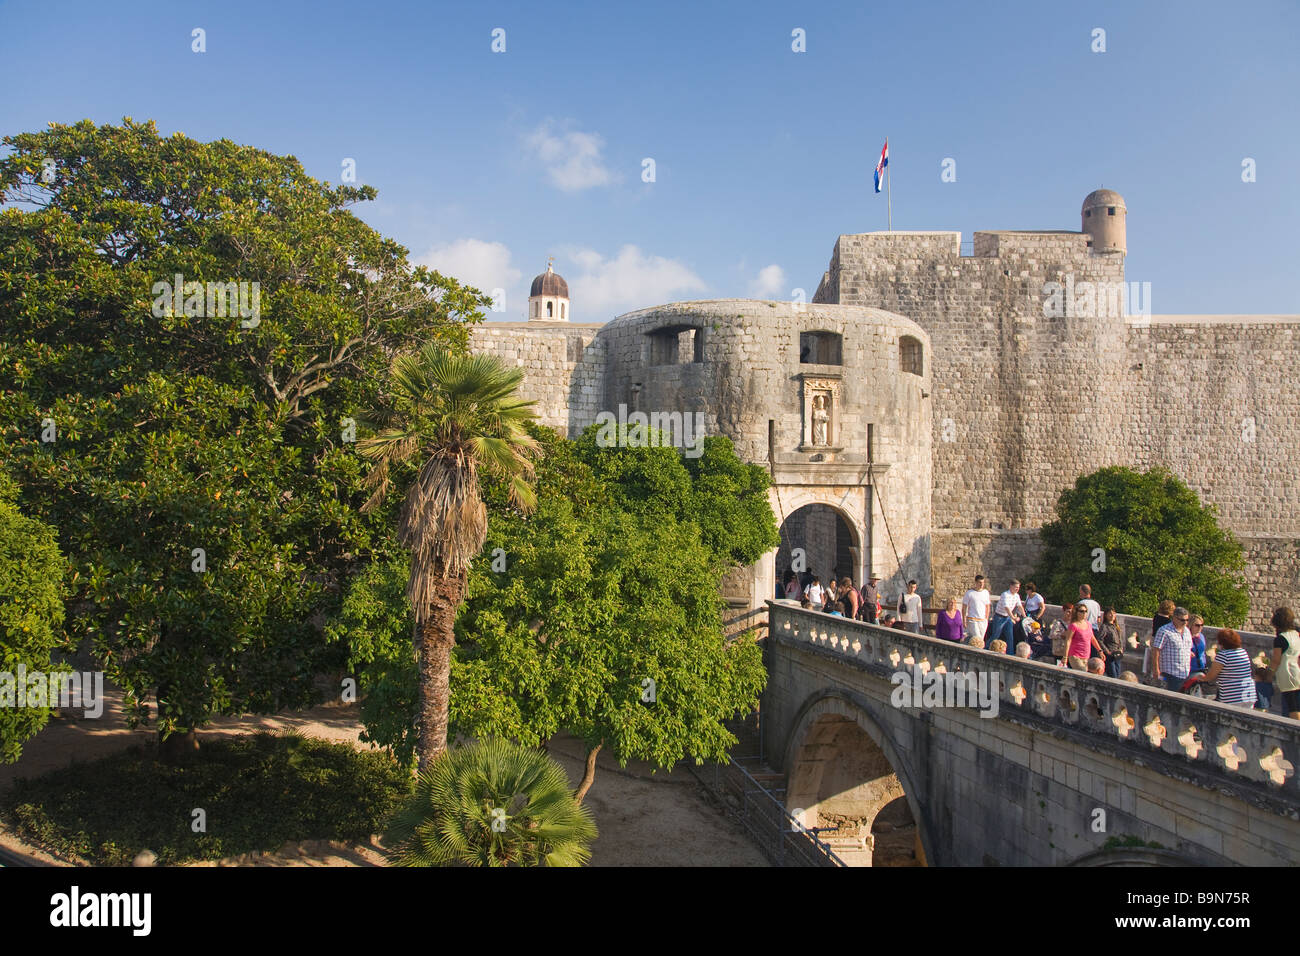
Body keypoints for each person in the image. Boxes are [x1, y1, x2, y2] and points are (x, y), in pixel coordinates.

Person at [1191, 628, 1255, 709]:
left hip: (1233, 695)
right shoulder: (1243, 652)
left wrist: (1201, 678)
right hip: (1248, 694)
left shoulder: (1223, 655)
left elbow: (1211, 676)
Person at [1150, 606, 1193, 691]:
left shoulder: (1187, 631)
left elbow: (1188, 647)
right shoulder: (1164, 631)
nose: (1185, 623)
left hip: (1185, 673)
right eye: (1182, 620)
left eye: (1187, 620)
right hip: (1170, 673)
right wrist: (1156, 669)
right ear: (1174, 618)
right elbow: (1156, 650)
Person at [1270, 606, 1300, 720]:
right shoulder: (1296, 634)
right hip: (1296, 670)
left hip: (1286, 673)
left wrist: (1269, 673)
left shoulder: (1280, 639)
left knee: (1292, 707)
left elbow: (1276, 660)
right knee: (1297, 705)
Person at [988, 579, 1025, 653]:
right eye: (1016, 587)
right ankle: (987, 648)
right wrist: (1013, 617)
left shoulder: (1017, 596)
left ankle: (1010, 653)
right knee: (995, 635)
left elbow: (1019, 606)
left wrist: (1024, 616)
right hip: (1000, 617)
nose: (1017, 589)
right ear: (1011, 586)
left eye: (1018, 587)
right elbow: (1006, 608)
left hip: (1007, 618)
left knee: (1010, 637)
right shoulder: (1005, 594)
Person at [1066, 604, 1104, 670]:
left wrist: (1100, 650)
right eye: (1081, 611)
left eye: (1086, 611)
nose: (1084, 613)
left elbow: (1092, 639)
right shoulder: (1073, 625)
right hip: (1075, 655)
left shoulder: (1088, 624)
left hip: (1086, 656)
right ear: (1076, 612)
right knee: (1083, 671)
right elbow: (1068, 640)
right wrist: (1065, 657)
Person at [961, 575, 991, 645]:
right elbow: (964, 607)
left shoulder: (985, 592)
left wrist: (986, 618)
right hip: (972, 619)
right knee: (977, 638)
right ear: (976, 582)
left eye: (983, 583)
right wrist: (964, 620)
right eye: (980, 582)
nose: (981, 584)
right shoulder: (969, 593)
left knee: (981, 639)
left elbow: (987, 606)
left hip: (982, 620)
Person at [1097, 607, 1125, 678]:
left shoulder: (1116, 626)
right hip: (1110, 653)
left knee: (1118, 673)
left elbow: (1120, 639)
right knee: (1113, 674)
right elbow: (1100, 639)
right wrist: (1107, 651)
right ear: (1106, 615)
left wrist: (1121, 648)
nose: (1112, 615)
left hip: (1117, 652)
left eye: (1113, 613)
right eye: (1110, 613)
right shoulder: (1104, 626)